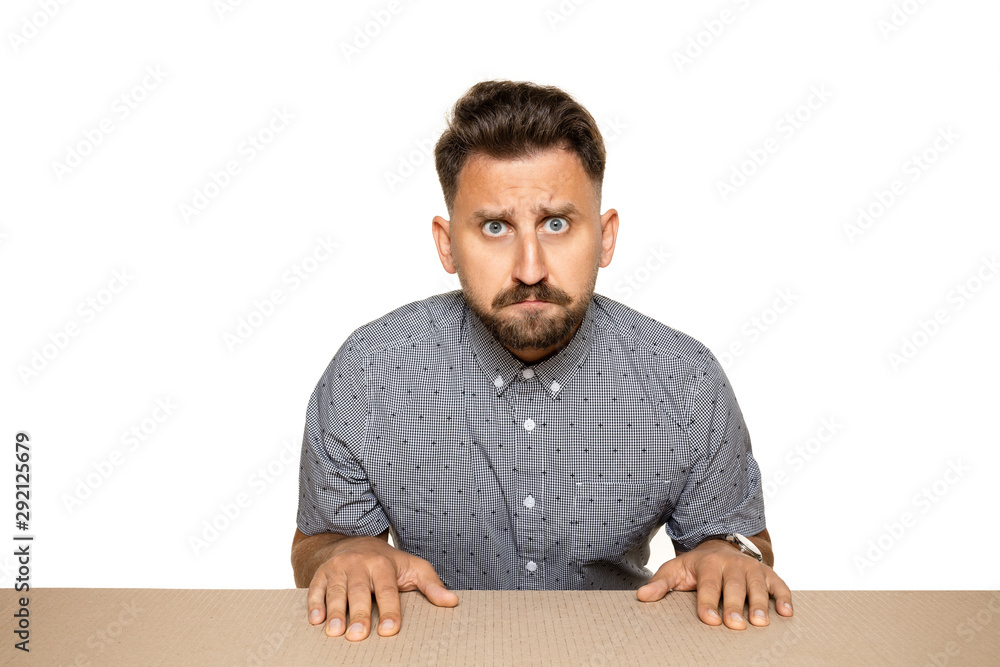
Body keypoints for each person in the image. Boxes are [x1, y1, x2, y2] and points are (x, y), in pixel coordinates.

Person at [290, 79, 793, 641]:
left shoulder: (685, 381)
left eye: (556, 224)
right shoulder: (367, 374)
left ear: (605, 237)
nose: (530, 269)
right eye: (495, 227)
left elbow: (741, 544)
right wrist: (344, 555)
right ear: (447, 245)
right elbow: (318, 546)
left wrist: (728, 555)